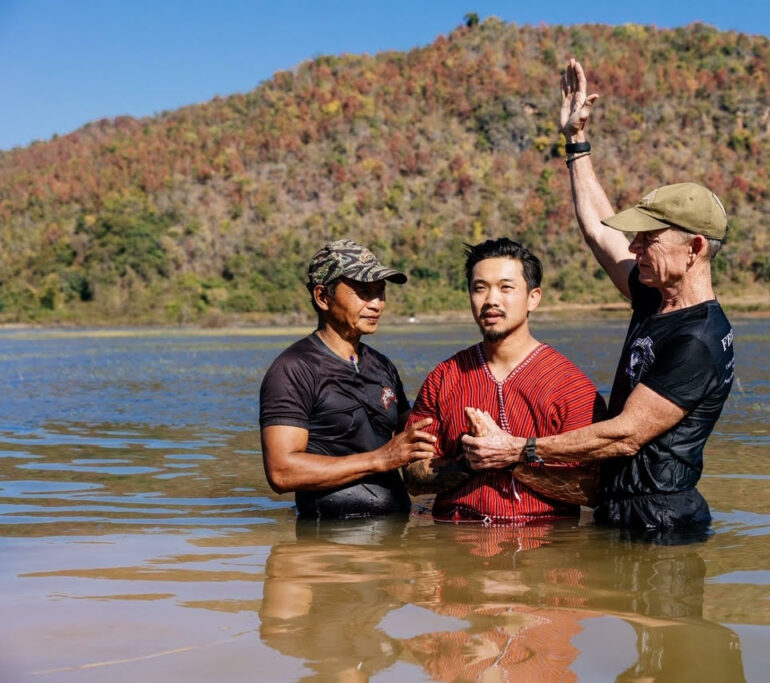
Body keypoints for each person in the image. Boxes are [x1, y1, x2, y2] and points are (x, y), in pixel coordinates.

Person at [461, 59, 735, 534]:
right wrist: (576, 143)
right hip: (626, 510)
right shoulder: (655, 296)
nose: (633, 248)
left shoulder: (698, 340)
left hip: (660, 517)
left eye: (648, 239)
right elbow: (598, 231)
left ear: (692, 249)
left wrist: (519, 449)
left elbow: (625, 435)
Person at [403, 238, 606, 523]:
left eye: (506, 287)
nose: (491, 300)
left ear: (533, 298)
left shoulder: (571, 387)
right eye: (479, 288)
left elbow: (596, 491)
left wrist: (512, 458)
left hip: (543, 555)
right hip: (458, 552)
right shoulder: (443, 378)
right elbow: (413, 478)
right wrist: (469, 463)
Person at [259, 239, 436, 519]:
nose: (377, 304)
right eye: (363, 292)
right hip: (330, 544)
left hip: (393, 538)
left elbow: (416, 433)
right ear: (323, 297)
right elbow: (282, 472)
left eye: (381, 292)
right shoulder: (294, 369)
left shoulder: (382, 365)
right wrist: (380, 460)